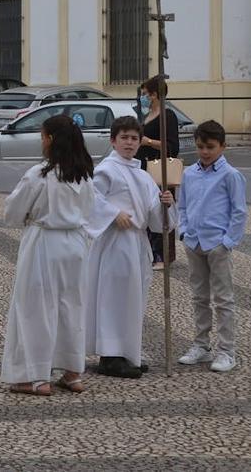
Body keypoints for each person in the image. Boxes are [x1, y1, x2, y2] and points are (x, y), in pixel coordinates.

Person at [0, 114, 95, 396]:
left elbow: (13, 213)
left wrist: (31, 215)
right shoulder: (84, 175)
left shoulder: (40, 175)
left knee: (36, 308)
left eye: (43, 136)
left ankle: (36, 376)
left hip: (44, 242)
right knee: (71, 306)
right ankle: (72, 371)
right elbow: (89, 212)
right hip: (75, 244)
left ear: (51, 140)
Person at [85, 116, 175, 379]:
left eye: (134, 138)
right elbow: (90, 198)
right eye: (124, 137)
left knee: (133, 298)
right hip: (115, 242)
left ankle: (127, 351)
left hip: (136, 242)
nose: (129, 143)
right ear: (113, 140)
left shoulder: (143, 174)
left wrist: (165, 203)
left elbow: (155, 217)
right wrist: (112, 213)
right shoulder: (107, 170)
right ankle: (109, 355)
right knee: (113, 298)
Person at [176, 120, 247, 374]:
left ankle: (227, 350)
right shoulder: (189, 173)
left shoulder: (231, 175)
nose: (205, 151)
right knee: (199, 297)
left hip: (217, 244)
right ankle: (201, 345)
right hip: (194, 242)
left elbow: (239, 212)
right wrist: (183, 231)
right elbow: (182, 205)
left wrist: (226, 242)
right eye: (200, 146)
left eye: (210, 147)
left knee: (224, 299)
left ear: (222, 146)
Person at [135, 75, 180, 270]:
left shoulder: (167, 116)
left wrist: (148, 142)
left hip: (159, 170)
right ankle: (150, 253)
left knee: (161, 209)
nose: (143, 97)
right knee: (147, 210)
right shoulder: (146, 116)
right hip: (144, 169)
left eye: (145, 94)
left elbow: (172, 147)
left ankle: (163, 256)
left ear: (154, 95)